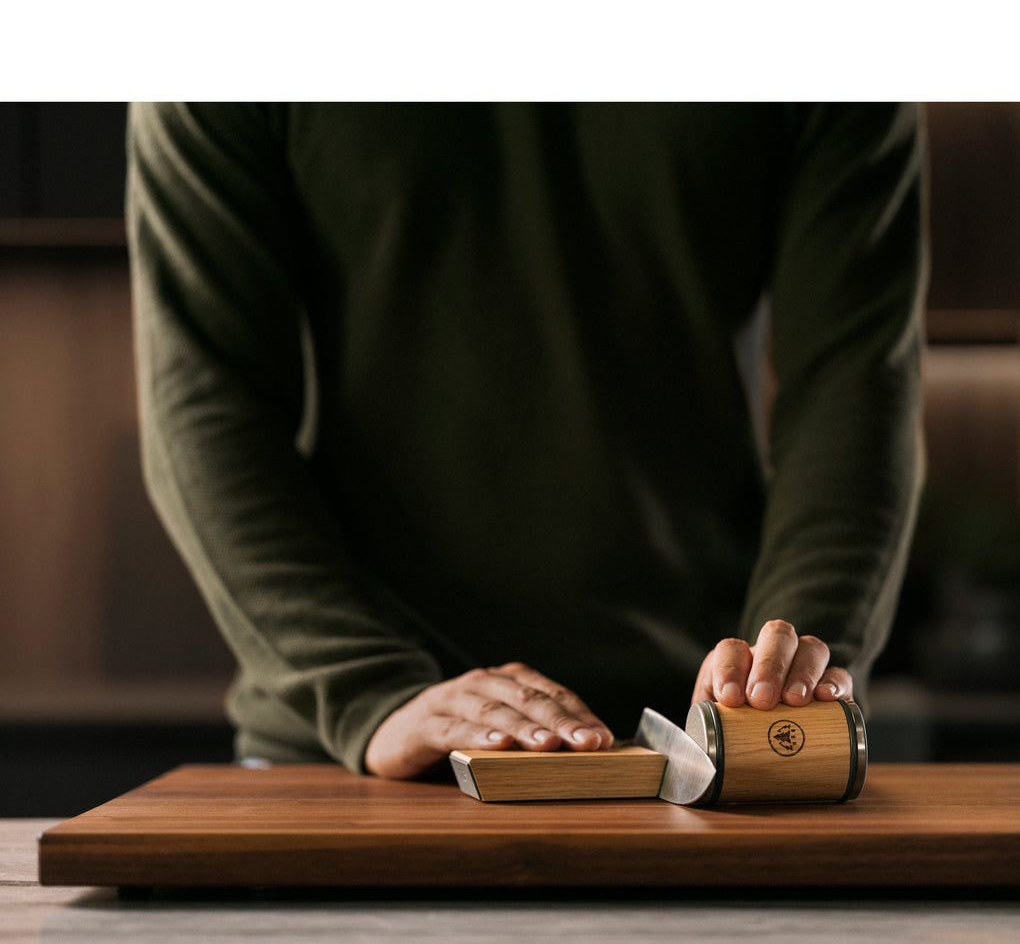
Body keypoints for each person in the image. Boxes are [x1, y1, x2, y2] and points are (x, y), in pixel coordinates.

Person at [127, 103, 925, 780]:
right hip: (360, 759)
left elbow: (854, 388)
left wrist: (778, 677)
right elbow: (207, 407)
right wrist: (369, 691)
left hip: (689, 749)